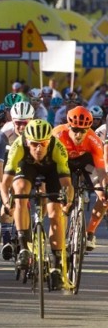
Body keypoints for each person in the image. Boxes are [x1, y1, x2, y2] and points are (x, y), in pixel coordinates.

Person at [0, 119, 73, 290]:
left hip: (52, 170)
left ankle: (56, 265)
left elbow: (67, 184)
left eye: (43, 144)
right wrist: (6, 202)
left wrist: (67, 201)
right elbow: (5, 183)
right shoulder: (18, 146)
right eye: (34, 144)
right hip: (27, 167)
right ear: (27, 141)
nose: (39, 149)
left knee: (55, 214)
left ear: (49, 141)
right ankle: (24, 246)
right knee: (19, 192)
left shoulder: (58, 148)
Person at [52, 106, 107, 251]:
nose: (78, 134)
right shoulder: (57, 134)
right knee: (63, 198)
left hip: (86, 163)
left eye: (83, 131)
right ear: (69, 126)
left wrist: (104, 187)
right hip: (63, 162)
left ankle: (90, 233)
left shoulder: (93, 139)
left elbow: (101, 170)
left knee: (104, 196)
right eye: (75, 129)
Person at [0, 101, 35, 260]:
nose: (22, 127)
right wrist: (2, 191)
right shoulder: (4, 133)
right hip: (9, 159)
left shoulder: (38, 130)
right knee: (8, 196)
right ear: (12, 120)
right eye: (18, 123)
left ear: (32, 120)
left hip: (30, 161)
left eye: (26, 123)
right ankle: (6, 240)